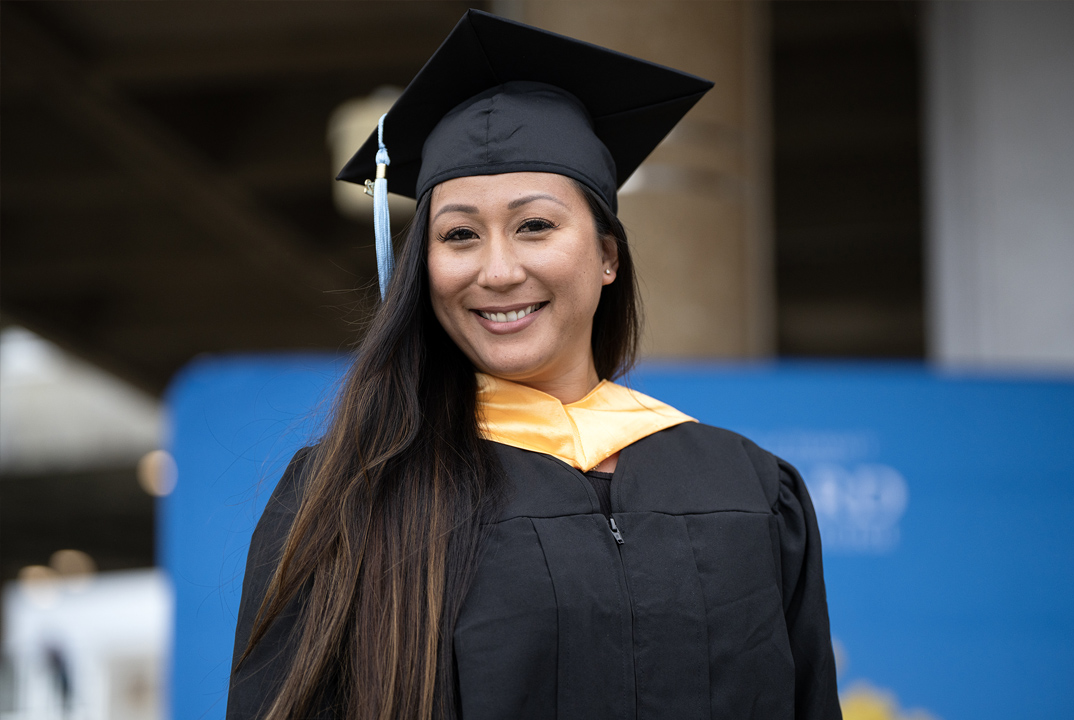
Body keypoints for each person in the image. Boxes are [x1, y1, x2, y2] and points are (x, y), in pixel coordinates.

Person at [227, 10, 841, 720]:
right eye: (459, 235)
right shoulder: (353, 498)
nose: (497, 269)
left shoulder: (750, 488)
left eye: (535, 225)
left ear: (608, 255)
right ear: (422, 267)